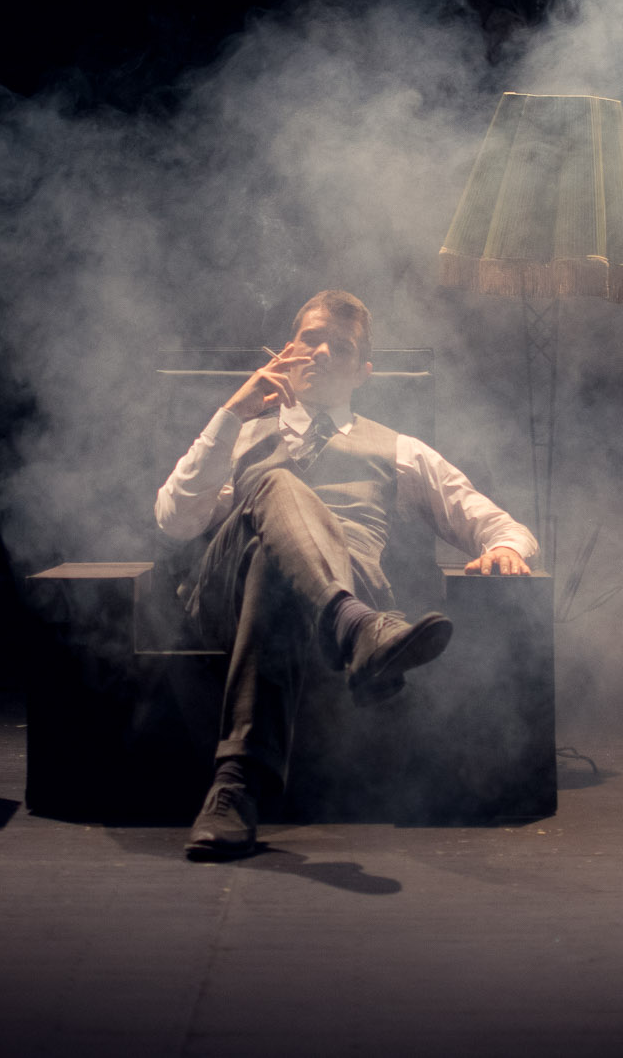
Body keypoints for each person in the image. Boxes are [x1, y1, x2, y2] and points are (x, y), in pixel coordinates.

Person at [155, 289, 537, 860]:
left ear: (363, 371)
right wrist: (233, 412)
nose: (322, 352)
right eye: (311, 339)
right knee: (278, 484)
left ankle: (235, 789)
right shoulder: (238, 435)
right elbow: (174, 521)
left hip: (324, 586)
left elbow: (501, 525)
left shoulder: (402, 451)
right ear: (286, 352)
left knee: (271, 566)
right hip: (223, 604)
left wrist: (505, 549)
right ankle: (355, 626)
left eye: (342, 346)